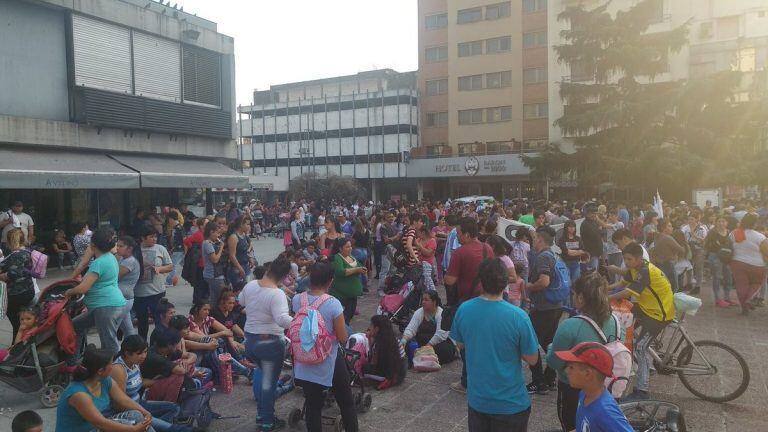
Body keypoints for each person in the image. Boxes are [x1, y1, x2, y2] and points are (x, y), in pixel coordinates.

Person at [450, 258, 539, 432]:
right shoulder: (519, 316)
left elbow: (459, 344)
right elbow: (533, 359)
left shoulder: (464, 309)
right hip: (511, 404)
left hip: (478, 401)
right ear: (505, 282)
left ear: (481, 281)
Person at [546, 273, 623, 431]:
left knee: (571, 425)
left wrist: (549, 348)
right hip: (602, 388)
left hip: (572, 388)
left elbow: (554, 362)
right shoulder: (617, 321)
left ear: (581, 298)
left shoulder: (570, 326)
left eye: (574, 294)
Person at [292, 263, 359, 432]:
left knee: (313, 407)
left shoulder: (297, 299)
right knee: (346, 403)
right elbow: (343, 338)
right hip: (328, 359)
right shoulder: (333, 304)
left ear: (310, 278)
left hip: (304, 359)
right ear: (330, 281)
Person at [609, 242, 675, 401]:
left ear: (639, 258)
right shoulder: (636, 268)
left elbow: (625, 292)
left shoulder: (645, 271)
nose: (626, 262)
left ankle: (642, 390)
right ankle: (627, 342)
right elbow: (620, 284)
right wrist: (603, 289)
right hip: (647, 307)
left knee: (640, 347)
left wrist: (605, 297)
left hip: (659, 313)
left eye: (629, 259)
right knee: (621, 313)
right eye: (625, 258)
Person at [240, 257, 293, 431]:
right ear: (284, 275)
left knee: (262, 375)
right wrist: (301, 321)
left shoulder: (251, 285)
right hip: (269, 343)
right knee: (269, 384)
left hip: (250, 340)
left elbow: (241, 302)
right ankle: (267, 422)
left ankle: (261, 416)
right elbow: (281, 319)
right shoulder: (276, 293)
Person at [55, 347, 155, 432]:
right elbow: (100, 423)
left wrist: (145, 412)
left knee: (137, 415)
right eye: (111, 364)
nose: (114, 366)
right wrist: (132, 429)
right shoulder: (80, 395)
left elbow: (123, 399)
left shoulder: (104, 380)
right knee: (129, 425)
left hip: (95, 427)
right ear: (100, 371)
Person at [65, 227, 127, 357]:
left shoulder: (99, 263)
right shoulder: (110, 257)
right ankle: (74, 360)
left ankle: (115, 371)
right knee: (75, 326)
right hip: (107, 305)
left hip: (105, 307)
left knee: (109, 345)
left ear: (92, 245)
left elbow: (83, 288)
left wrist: (68, 292)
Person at [110, 336, 189, 432]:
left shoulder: (135, 362)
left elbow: (141, 381)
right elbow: (119, 404)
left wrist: (161, 381)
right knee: (172, 428)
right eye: (139, 353)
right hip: (130, 411)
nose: (144, 356)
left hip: (139, 403)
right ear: (127, 353)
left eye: (145, 352)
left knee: (174, 408)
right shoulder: (118, 369)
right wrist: (143, 414)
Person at [554, 342, 634, 432]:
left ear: (588, 374)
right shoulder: (584, 393)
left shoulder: (605, 412)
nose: (566, 371)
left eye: (571, 367)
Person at [525, 225, 565, 395]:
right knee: (549, 343)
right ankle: (550, 378)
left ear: (539, 240)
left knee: (530, 344)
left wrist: (528, 287)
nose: (532, 242)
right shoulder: (554, 254)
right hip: (555, 305)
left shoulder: (542, 257)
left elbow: (544, 281)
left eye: (534, 239)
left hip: (543, 307)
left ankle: (539, 382)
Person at [133, 225, 173, 341]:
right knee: (142, 322)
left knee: (159, 321)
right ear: (142, 238)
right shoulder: (135, 250)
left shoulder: (160, 249)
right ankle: (142, 346)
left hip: (157, 292)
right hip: (140, 293)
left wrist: (159, 269)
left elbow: (170, 266)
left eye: (155, 237)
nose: (154, 239)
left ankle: (159, 344)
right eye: (151, 237)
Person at [401, 290, 456, 365]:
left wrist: (428, 346)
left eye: (426, 300)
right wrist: (404, 339)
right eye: (423, 299)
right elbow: (411, 328)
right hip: (424, 341)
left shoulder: (441, 314)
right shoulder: (419, 312)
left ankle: (424, 358)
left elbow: (441, 334)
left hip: (440, 342)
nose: (423, 302)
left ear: (434, 302)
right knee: (408, 345)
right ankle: (421, 358)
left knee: (442, 350)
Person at [729, 213, 768, 315]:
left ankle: (744, 308)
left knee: (741, 285)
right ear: (755, 224)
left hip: (737, 263)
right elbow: (766, 252)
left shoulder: (735, 233)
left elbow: (729, 246)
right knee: (756, 283)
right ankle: (750, 299)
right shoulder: (760, 236)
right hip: (757, 265)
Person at [0, 228, 35, 343]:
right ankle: (28, 343)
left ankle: (15, 349)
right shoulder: (28, 252)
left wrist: (3, 275)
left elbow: (12, 274)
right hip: (29, 291)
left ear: (10, 241)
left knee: (17, 324)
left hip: (15, 295)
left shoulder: (13, 256)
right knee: (26, 320)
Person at [363, 315, 407, 390]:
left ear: (376, 329)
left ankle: (382, 380)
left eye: (371, 325)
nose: (369, 328)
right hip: (401, 371)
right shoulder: (394, 339)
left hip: (391, 374)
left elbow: (373, 363)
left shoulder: (379, 344)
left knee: (364, 369)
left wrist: (369, 340)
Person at [329, 238, 366, 324]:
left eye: (351, 246)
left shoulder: (351, 257)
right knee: (343, 317)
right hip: (342, 295)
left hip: (352, 295)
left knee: (350, 315)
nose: (350, 248)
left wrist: (362, 270)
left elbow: (359, 266)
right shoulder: (337, 258)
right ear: (340, 248)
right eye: (347, 247)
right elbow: (340, 272)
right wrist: (356, 270)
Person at [705, 216, 737, 307]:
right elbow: (707, 244)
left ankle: (727, 298)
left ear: (727, 223)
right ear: (716, 222)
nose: (721, 223)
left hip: (727, 258)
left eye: (723, 221)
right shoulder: (712, 233)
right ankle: (717, 299)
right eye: (719, 221)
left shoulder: (729, 233)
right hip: (715, 257)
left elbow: (733, 245)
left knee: (728, 278)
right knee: (717, 278)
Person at [650, 219, 685, 293]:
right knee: (674, 287)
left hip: (658, 263)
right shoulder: (667, 238)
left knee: (663, 285)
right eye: (669, 226)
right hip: (668, 263)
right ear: (663, 228)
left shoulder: (657, 236)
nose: (672, 228)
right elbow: (681, 250)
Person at [115, 236, 141, 337]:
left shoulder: (130, 261)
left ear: (129, 248)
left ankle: (115, 351)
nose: (117, 248)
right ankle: (134, 348)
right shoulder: (122, 258)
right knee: (128, 329)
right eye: (117, 245)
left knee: (112, 329)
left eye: (121, 246)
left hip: (124, 299)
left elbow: (114, 276)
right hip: (123, 297)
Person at [183, 217, 209, 305]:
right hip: (200, 263)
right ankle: (198, 300)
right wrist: (194, 248)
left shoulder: (205, 234)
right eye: (206, 223)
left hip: (204, 263)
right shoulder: (198, 234)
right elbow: (186, 241)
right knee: (200, 283)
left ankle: (199, 299)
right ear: (201, 226)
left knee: (202, 283)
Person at [201, 221, 227, 309]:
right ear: (211, 232)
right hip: (213, 275)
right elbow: (215, 259)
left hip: (213, 274)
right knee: (222, 297)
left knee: (214, 298)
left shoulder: (212, 243)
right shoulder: (207, 244)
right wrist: (221, 248)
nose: (218, 235)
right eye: (217, 233)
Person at [226, 216, 254, 290]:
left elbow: (245, 250)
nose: (249, 226)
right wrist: (240, 269)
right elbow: (232, 256)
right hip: (237, 268)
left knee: (248, 289)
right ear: (241, 224)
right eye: (247, 224)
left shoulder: (244, 235)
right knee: (239, 291)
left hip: (245, 266)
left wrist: (250, 258)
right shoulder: (233, 237)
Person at [580, 205, 604, 272]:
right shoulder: (585, 224)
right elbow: (595, 236)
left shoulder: (593, 222)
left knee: (595, 272)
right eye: (593, 213)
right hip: (591, 254)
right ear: (587, 214)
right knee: (592, 273)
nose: (595, 215)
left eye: (595, 213)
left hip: (596, 253)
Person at [165, 211, 185, 287]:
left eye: (169, 219)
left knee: (173, 265)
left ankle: (169, 281)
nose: (168, 221)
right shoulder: (175, 228)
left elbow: (184, 239)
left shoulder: (179, 228)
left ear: (171, 219)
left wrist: (185, 250)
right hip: (177, 249)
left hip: (179, 250)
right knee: (184, 264)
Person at [415, 225, 437, 292]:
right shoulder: (418, 240)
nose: (417, 234)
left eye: (418, 232)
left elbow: (428, 253)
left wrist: (420, 246)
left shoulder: (432, 241)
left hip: (427, 265)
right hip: (418, 265)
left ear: (423, 232)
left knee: (428, 282)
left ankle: (433, 295)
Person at [351, 219, 371, 292]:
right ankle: (365, 287)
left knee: (357, 270)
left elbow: (352, 242)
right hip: (365, 251)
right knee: (363, 269)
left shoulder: (356, 233)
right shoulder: (367, 231)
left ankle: (359, 288)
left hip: (357, 251)